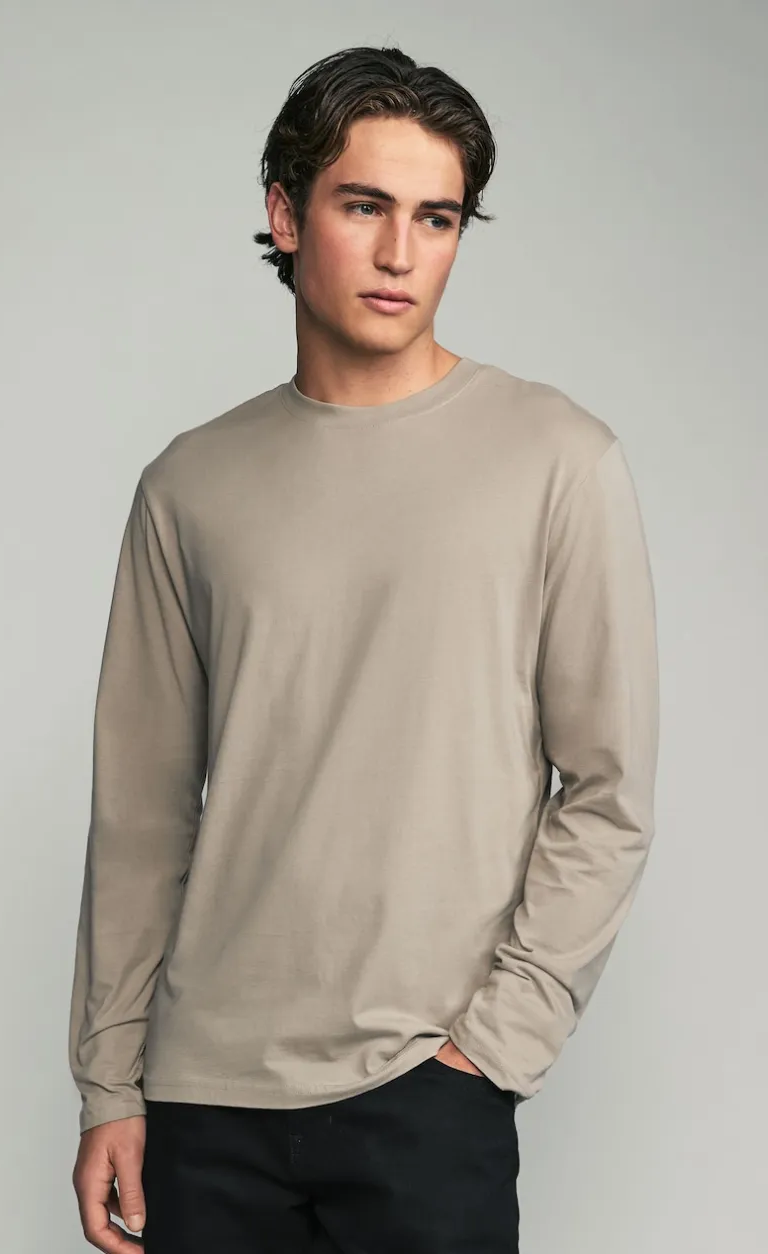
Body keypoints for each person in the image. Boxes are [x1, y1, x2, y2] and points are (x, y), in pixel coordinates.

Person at [68, 44, 660, 1254]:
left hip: (425, 1093)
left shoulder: (556, 460)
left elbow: (607, 791)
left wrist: (493, 1047)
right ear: (286, 215)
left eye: (436, 218)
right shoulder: (190, 486)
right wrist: (111, 1086)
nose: (400, 252)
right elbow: (139, 814)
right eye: (364, 207)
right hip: (204, 1101)